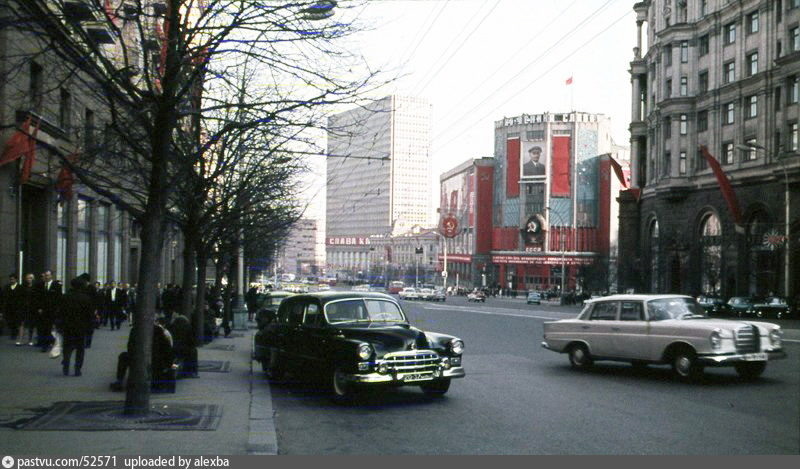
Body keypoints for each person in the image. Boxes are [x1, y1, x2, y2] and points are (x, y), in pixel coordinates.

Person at [110, 322, 176, 392]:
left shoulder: (135, 330)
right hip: (156, 361)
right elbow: (167, 349)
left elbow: (130, 347)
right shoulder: (159, 330)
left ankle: (119, 381)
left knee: (123, 356)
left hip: (139, 360)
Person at [60, 276, 95, 376]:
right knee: (80, 348)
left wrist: (60, 325)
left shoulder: (65, 296)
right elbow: (89, 314)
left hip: (67, 325)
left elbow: (61, 312)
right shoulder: (86, 299)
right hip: (81, 326)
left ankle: (66, 364)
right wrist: (90, 327)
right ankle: (77, 369)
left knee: (67, 346)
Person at [35, 270, 62, 352]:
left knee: (49, 327)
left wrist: (57, 309)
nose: (46, 277)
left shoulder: (56, 285)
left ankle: (49, 342)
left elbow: (59, 298)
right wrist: (39, 307)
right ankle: (45, 345)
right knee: (44, 328)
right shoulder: (40, 285)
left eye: (48, 275)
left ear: (51, 276)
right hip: (43, 310)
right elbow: (38, 298)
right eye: (45, 275)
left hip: (52, 310)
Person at [168, 312, 198, 378]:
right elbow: (192, 340)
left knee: (176, 359)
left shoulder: (172, 326)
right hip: (185, 348)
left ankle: (174, 370)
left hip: (173, 348)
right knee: (193, 352)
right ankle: (190, 372)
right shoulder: (187, 326)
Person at [16, 273, 36, 346]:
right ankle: (20, 339)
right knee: (21, 323)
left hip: (32, 307)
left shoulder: (35, 287)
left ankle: (30, 340)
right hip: (23, 307)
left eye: (30, 278)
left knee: (31, 324)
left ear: (33, 279)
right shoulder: (22, 287)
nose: (29, 279)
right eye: (28, 278)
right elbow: (19, 297)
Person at [2, 274, 21, 342]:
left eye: (13, 279)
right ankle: (13, 332)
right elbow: (4, 296)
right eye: (11, 279)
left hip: (16, 307)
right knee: (10, 320)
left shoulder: (19, 287)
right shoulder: (7, 287)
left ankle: (15, 333)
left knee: (16, 320)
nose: (12, 280)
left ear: (16, 279)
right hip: (9, 307)